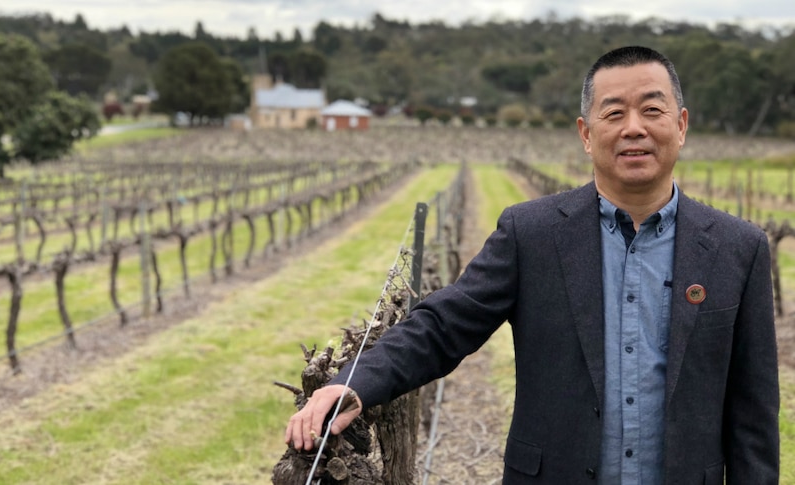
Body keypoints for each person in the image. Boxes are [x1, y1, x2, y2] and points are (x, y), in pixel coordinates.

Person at [285, 46, 779, 484]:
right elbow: (443, 325)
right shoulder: (532, 234)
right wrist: (353, 385)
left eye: (652, 109)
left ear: (681, 125)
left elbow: (754, 415)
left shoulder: (740, 247)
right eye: (614, 113)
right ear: (586, 134)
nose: (634, 127)